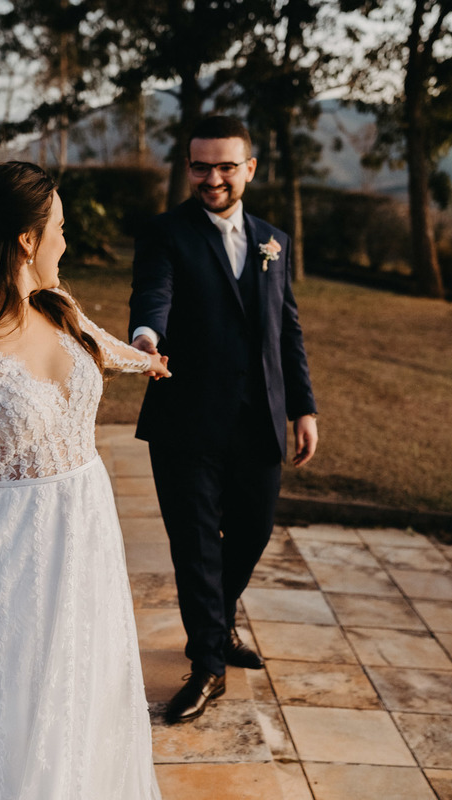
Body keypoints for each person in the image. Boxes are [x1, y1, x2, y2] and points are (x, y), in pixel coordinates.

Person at [0, 161, 168, 800]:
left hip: (87, 529)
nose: (66, 243)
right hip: (7, 549)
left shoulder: (59, 308)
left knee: (85, 680)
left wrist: (149, 362)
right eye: (61, 230)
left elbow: (102, 347)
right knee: (14, 697)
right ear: (26, 240)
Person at [129, 116, 318, 724]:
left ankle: (215, 622)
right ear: (187, 167)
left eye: (225, 166)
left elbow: (286, 329)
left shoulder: (274, 240)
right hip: (186, 420)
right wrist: (145, 338)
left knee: (254, 532)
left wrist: (303, 407)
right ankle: (208, 661)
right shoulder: (165, 234)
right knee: (195, 549)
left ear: (249, 169)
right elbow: (153, 295)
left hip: (258, 420)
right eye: (200, 166)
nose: (212, 178)